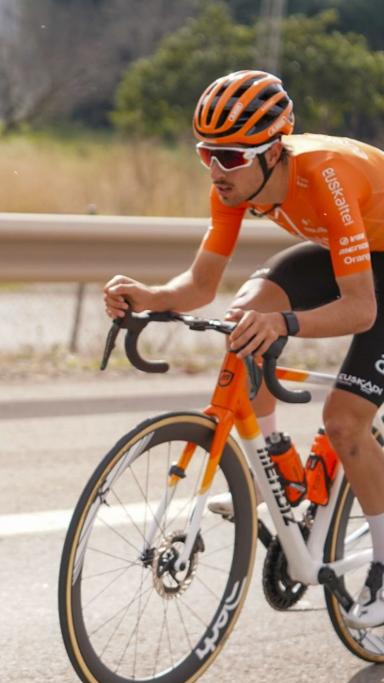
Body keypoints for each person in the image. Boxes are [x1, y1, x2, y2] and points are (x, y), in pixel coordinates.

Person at [103, 70, 384, 627]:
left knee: (345, 420)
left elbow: (362, 309)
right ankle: (274, 471)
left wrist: (284, 323)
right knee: (241, 316)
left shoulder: (325, 176)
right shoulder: (231, 186)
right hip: (349, 252)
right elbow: (202, 285)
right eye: (206, 153)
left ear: (273, 151)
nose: (215, 169)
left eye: (230, 157)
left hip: (376, 272)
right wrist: (151, 296)